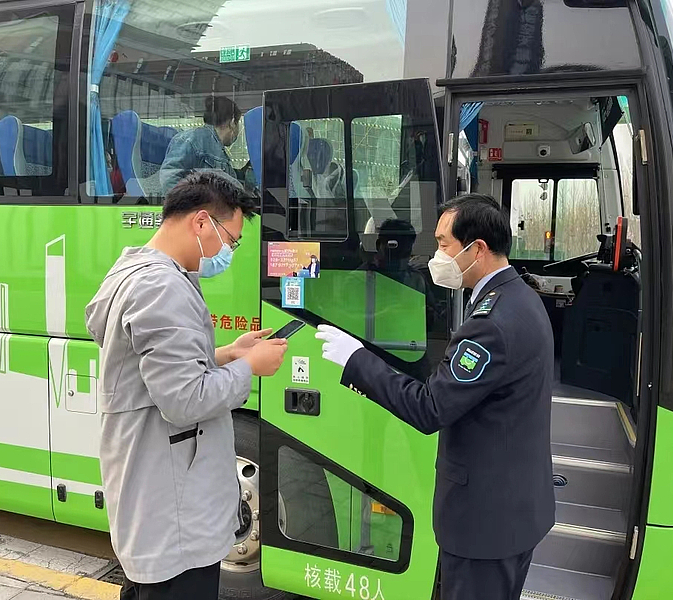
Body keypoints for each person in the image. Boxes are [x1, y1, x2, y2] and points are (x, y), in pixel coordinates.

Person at [315, 193, 555, 600]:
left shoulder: (490, 324)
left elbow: (430, 408)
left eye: (443, 244)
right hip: (515, 511)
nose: (436, 256)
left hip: (483, 524)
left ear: (476, 249)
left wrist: (357, 359)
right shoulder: (521, 298)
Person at [84, 172, 288, 600]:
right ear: (200, 222)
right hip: (173, 519)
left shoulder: (139, 270)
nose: (227, 253)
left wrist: (227, 354)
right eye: (230, 241)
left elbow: (159, 369)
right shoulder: (162, 287)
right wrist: (250, 367)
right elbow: (184, 399)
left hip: (160, 506)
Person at [159, 96, 247, 195]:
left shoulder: (217, 149)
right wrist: (191, 202)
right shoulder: (192, 139)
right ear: (232, 123)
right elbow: (170, 178)